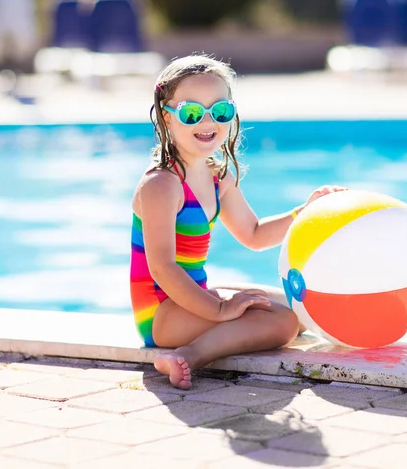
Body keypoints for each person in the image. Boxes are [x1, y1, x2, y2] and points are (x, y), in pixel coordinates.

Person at [130, 55, 345, 389]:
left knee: (297, 307)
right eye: (191, 113)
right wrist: (219, 310)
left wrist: (305, 212)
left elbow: (254, 234)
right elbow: (163, 269)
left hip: (192, 296)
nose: (207, 122)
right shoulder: (161, 184)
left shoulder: (219, 176)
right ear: (166, 118)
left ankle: (202, 339)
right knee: (284, 324)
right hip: (160, 314)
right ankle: (188, 355)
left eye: (220, 111)